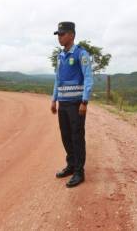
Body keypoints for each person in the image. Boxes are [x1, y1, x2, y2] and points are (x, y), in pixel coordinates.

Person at [51, 22, 94, 187]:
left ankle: (79, 172)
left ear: (71, 35)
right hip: (63, 103)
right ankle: (71, 165)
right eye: (58, 35)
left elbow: (88, 78)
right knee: (66, 136)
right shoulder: (60, 56)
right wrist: (54, 99)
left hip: (77, 104)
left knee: (77, 137)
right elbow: (57, 79)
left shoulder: (81, 54)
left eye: (62, 34)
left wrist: (84, 101)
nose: (59, 38)